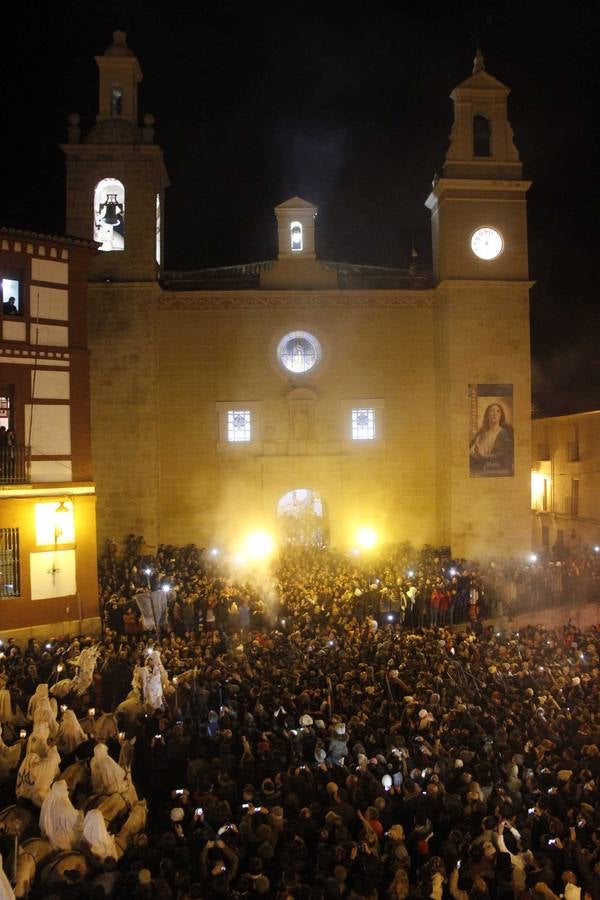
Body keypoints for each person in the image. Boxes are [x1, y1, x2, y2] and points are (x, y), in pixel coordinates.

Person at [469, 402, 514, 475]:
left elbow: (505, 454)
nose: (495, 414)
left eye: (498, 411)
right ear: (487, 415)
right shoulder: (482, 434)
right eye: (492, 411)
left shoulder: (504, 433)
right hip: (480, 469)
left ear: (501, 415)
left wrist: (484, 456)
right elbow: (472, 452)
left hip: (497, 470)